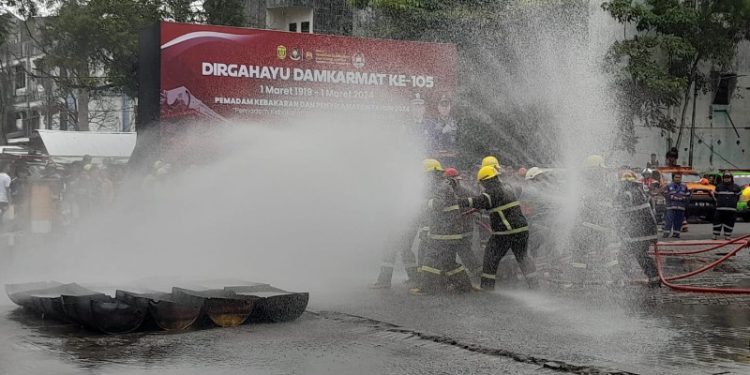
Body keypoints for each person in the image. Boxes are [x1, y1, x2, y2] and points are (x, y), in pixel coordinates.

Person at [456, 165, 538, 290]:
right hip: (521, 230)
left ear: (486, 181)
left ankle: (487, 287)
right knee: (523, 257)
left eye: (482, 182)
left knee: (490, 258)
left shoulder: (491, 193)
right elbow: (515, 192)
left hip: (505, 233)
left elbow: (477, 201)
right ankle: (535, 286)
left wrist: (457, 201)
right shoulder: (508, 187)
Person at [409, 160, 474, 295]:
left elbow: (439, 204)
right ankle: (465, 286)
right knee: (448, 261)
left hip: (444, 231)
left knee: (430, 258)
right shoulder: (442, 185)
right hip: (449, 230)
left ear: (432, 173)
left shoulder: (440, 187)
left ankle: (427, 288)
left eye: (426, 175)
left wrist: (424, 203)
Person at [614, 171, 660, 287]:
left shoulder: (627, 194)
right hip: (643, 231)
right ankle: (654, 279)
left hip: (637, 232)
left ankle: (623, 278)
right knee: (641, 255)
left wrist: (617, 228)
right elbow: (649, 214)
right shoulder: (638, 192)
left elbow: (619, 213)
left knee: (624, 255)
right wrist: (654, 235)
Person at [443, 167, 482, 279]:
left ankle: (476, 272)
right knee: (463, 250)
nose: (457, 182)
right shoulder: (458, 190)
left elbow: (478, 202)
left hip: (463, 226)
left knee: (464, 250)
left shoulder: (462, 191)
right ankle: (475, 271)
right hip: (458, 226)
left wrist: (474, 214)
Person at [711, 172, 742, 240]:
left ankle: (727, 235)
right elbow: (715, 196)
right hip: (720, 209)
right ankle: (715, 235)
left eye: (728, 177)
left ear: (731, 178)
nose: (727, 179)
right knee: (717, 221)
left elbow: (738, 198)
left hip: (731, 209)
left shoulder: (736, 187)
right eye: (725, 177)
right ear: (723, 178)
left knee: (730, 222)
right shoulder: (719, 186)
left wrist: (732, 203)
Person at [663, 173, 690, 238]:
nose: (678, 179)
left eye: (679, 177)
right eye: (676, 177)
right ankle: (666, 233)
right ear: (673, 178)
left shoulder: (684, 186)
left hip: (681, 207)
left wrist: (684, 198)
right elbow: (665, 194)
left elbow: (688, 195)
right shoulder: (668, 186)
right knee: (669, 220)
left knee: (678, 221)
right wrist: (672, 197)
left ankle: (676, 233)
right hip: (670, 207)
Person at [0, 164, 11, 231]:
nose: (9, 168)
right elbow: (7, 190)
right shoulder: (6, 177)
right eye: (8, 166)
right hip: (3, 200)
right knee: (4, 215)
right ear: (5, 167)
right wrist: (10, 201)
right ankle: (2, 229)